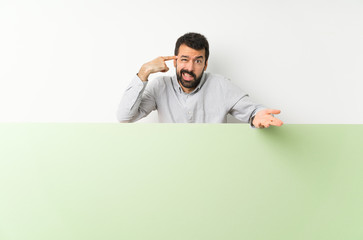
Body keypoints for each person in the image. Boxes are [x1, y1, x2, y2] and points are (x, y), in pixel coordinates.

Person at [117, 32, 283, 128]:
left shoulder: (221, 85)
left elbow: (253, 111)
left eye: (197, 61)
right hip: (171, 165)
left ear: (205, 64)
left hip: (212, 167)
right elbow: (125, 116)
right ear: (175, 61)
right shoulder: (160, 86)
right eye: (184, 59)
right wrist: (144, 72)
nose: (190, 67)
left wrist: (258, 116)